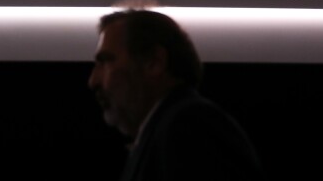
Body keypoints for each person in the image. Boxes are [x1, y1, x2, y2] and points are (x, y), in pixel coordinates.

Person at [89, 9, 264, 180]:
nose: (93, 81)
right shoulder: (175, 127)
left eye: (105, 62)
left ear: (154, 62)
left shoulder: (189, 127)